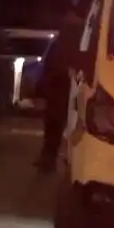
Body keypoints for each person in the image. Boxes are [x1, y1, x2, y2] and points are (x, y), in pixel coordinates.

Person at [35, 9, 83, 172]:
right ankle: (50, 157)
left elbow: (49, 65)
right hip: (62, 88)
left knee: (55, 126)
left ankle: (50, 158)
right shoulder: (73, 41)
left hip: (61, 88)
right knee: (56, 126)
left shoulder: (64, 42)